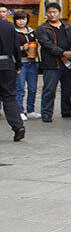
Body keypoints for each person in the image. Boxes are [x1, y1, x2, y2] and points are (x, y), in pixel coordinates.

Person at [37, 2, 71, 122]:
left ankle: (66, 110)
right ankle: (46, 113)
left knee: (68, 88)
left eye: (54, 12)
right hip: (52, 64)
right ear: (46, 14)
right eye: (49, 12)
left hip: (68, 63)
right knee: (49, 89)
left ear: (59, 13)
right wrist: (62, 53)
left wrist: (69, 53)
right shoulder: (42, 29)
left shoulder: (67, 27)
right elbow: (47, 44)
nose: (52, 14)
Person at [0, 9, 24, 141]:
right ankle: (18, 126)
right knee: (9, 97)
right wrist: (18, 65)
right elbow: (16, 47)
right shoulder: (8, 26)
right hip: (7, 64)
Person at [13, 10, 41, 120]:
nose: (21, 21)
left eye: (23, 19)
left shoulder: (31, 32)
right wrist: (21, 48)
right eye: (19, 19)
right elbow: (11, 48)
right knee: (20, 88)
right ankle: (20, 111)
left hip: (32, 62)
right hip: (21, 63)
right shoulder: (13, 32)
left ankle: (31, 110)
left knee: (33, 88)